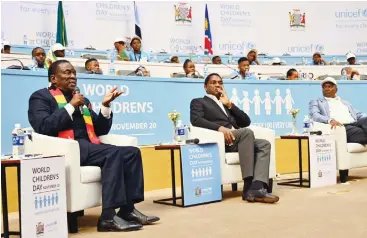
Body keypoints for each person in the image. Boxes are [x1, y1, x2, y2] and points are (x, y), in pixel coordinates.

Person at [28, 60, 159, 232]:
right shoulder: (41, 97)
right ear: (53, 78)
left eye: (74, 72)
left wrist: (105, 106)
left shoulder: (82, 99)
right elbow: (43, 127)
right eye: (67, 73)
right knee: (113, 153)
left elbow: (100, 130)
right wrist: (70, 106)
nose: (73, 76)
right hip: (67, 149)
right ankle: (108, 217)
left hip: (88, 146)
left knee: (132, 153)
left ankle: (127, 210)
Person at [190, 73, 279, 203]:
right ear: (205, 86)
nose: (217, 85)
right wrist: (220, 128)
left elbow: (246, 121)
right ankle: (248, 186)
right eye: (213, 83)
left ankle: (257, 187)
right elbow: (196, 120)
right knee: (246, 133)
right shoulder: (199, 102)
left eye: (220, 82)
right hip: (221, 140)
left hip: (239, 140)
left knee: (264, 144)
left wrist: (230, 104)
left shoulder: (226, 103)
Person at [309, 77, 367, 183]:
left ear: (336, 89)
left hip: (355, 124)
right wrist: (330, 120)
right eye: (324, 87)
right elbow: (315, 115)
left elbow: (358, 114)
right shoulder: (316, 102)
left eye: (330, 86)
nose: (326, 89)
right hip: (342, 129)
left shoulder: (344, 102)